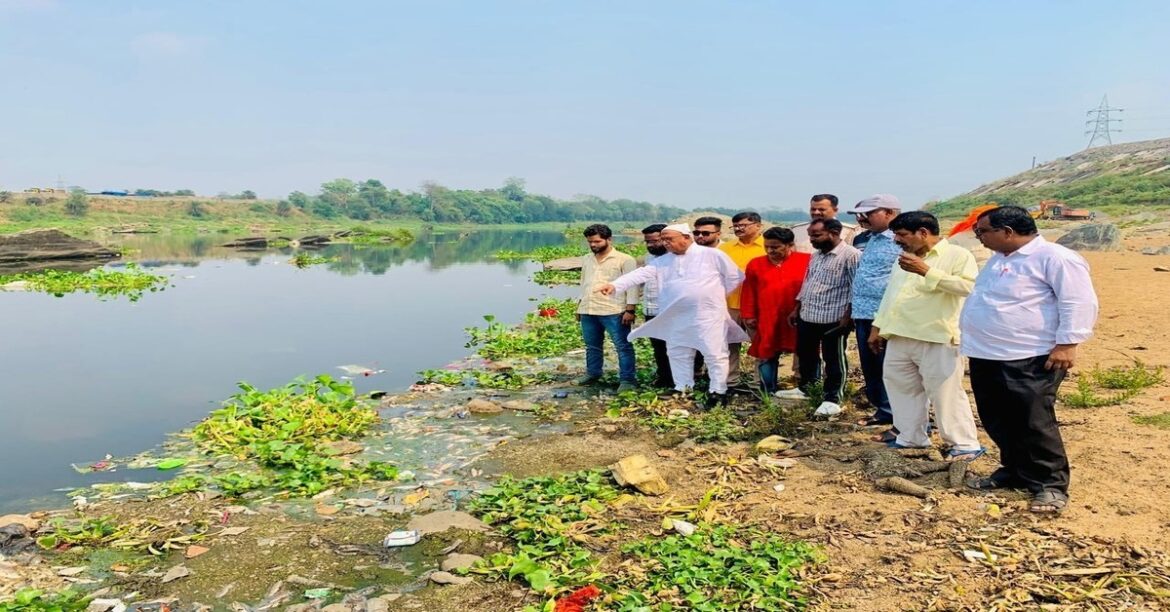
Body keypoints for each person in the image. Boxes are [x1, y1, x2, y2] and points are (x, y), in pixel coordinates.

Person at [960, 206, 1098, 515]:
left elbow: (1078, 300)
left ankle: (1049, 484)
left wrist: (1066, 343)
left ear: (1007, 232)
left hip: (1029, 355)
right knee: (997, 416)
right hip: (987, 353)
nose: (979, 237)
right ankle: (1014, 471)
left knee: (1032, 420)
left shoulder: (1055, 257)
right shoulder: (999, 259)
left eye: (982, 231)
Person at [868, 211, 984, 460]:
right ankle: (911, 438)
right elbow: (892, 296)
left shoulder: (957, 255)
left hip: (937, 336)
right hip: (899, 335)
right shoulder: (905, 259)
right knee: (902, 389)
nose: (897, 240)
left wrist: (927, 272)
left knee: (945, 393)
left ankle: (964, 444)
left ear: (923, 233)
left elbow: (970, 288)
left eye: (901, 235)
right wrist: (878, 327)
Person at [599, 224, 748, 408]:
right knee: (678, 352)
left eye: (669, 239)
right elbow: (641, 274)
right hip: (675, 316)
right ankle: (683, 388)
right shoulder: (663, 261)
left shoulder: (712, 255)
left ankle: (718, 391)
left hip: (707, 315)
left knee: (714, 353)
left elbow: (735, 277)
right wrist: (615, 285)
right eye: (664, 239)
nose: (665, 243)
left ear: (686, 237)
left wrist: (711, 294)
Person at [780, 219, 860, 416]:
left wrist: (848, 317)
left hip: (834, 318)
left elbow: (856, 288)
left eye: (816, 235)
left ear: (833, 233)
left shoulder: (851, 256)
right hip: (809, 314)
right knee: (806, 354)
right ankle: (807, 388)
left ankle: (833, 398)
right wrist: (796, 308)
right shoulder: (816, 256)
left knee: (834, 359)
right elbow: (808, 283)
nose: (812, 240)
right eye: (811, 235)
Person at [847, 195, 903, 430]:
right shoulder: (871, 239)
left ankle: (897, 413)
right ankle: (883, 409)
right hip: (863, 312)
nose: (862, 219)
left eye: (869, 213)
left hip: (884, 314)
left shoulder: (900, 240)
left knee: (889, 366)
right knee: (871, 365)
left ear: (889, 213)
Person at [740, 227, 810, 394]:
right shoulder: (756, 264)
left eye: (775, 247)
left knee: (805, 352)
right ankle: (767, 390)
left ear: (790, 245)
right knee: (767, 352)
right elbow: (749, 291)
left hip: (798, 316)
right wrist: (748, 314)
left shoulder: (807, 261)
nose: (770, 250)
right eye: (767, 246)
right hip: (767, 317)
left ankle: (806, 388)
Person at [575, 224, 638, 393]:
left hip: (614, 310)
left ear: (609, 239)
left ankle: (627, 380)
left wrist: (630, 309)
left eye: (597, 241)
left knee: (623, 346)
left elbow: (632, 286)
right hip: (589, 309)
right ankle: (593, 373)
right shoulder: (588, 258)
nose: (593, 245)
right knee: (592, 346)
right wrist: (579, 306)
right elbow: (584, 283)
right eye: (590, 242)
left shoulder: (625, 259)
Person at [718, 211, 767, 389]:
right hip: (729, 304)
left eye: (743, 225)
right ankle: (730, 380)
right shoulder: (724, 249)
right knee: (729, 343)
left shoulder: (767, 247)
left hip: (758, 306)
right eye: (735, 226)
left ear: (758, 226)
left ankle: (759, 381)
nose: (738, 229)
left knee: (760, 344)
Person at [640, 223, 673, 388]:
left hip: (670, 310)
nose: (650, 245)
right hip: (651, 309)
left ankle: (686, 377)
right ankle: (664, 377)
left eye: (655, 241)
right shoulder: (649, 258)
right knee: (658, 346)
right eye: (648, 242)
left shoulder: (677, 258)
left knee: (677, 345)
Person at [792, 194, 858, 254]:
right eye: (813, 209)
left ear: (835, 210)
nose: (816, 212)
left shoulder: (850, 232)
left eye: (821, 209)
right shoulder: (797, 231)